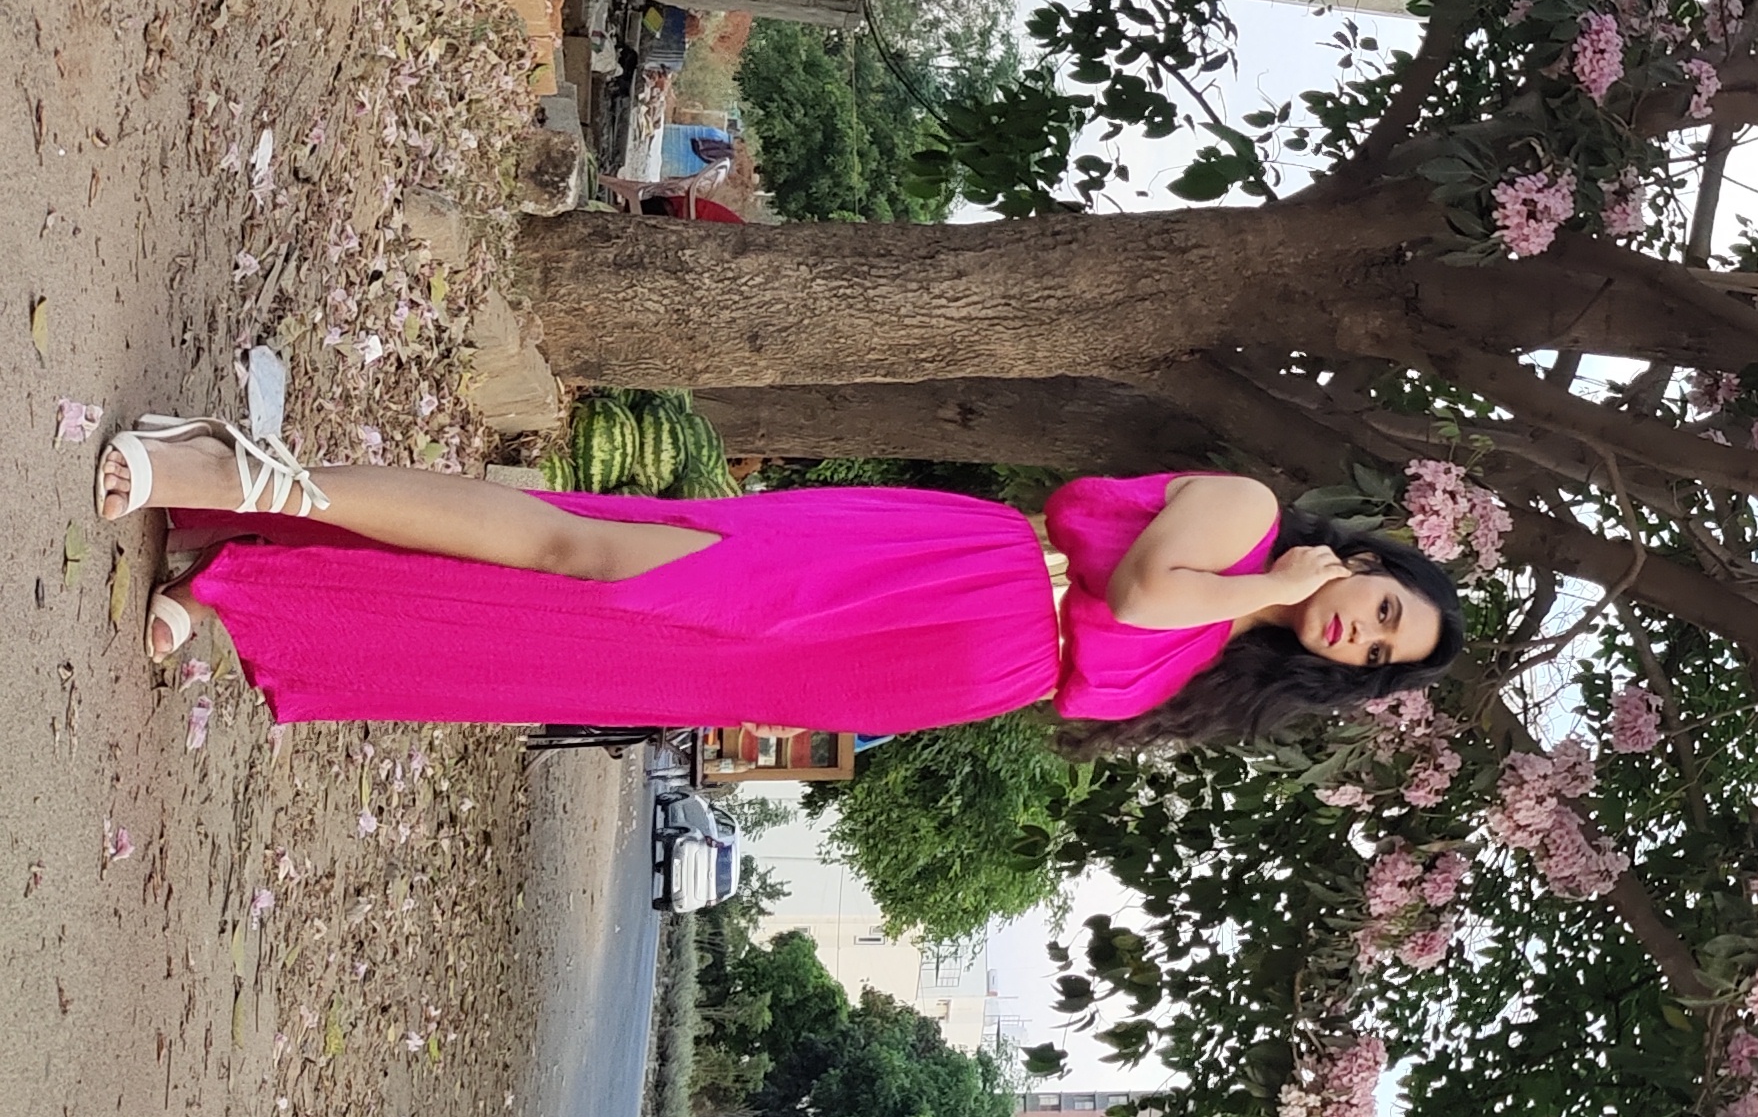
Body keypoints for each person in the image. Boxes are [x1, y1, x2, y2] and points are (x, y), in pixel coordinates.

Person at [91, 417, 1460, 751]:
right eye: (1388, 611)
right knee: (595, 558)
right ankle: (230, 471)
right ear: (1374, 566)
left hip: (934, 673)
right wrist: (1270, 583)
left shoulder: (1226, 674)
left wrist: (1255, 619)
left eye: (1375, 657)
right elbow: (1149, 592)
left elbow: (1103, 675)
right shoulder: (1252, 519)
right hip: (944, 570)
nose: (1360, 633)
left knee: (576, 647)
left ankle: (242, 584)